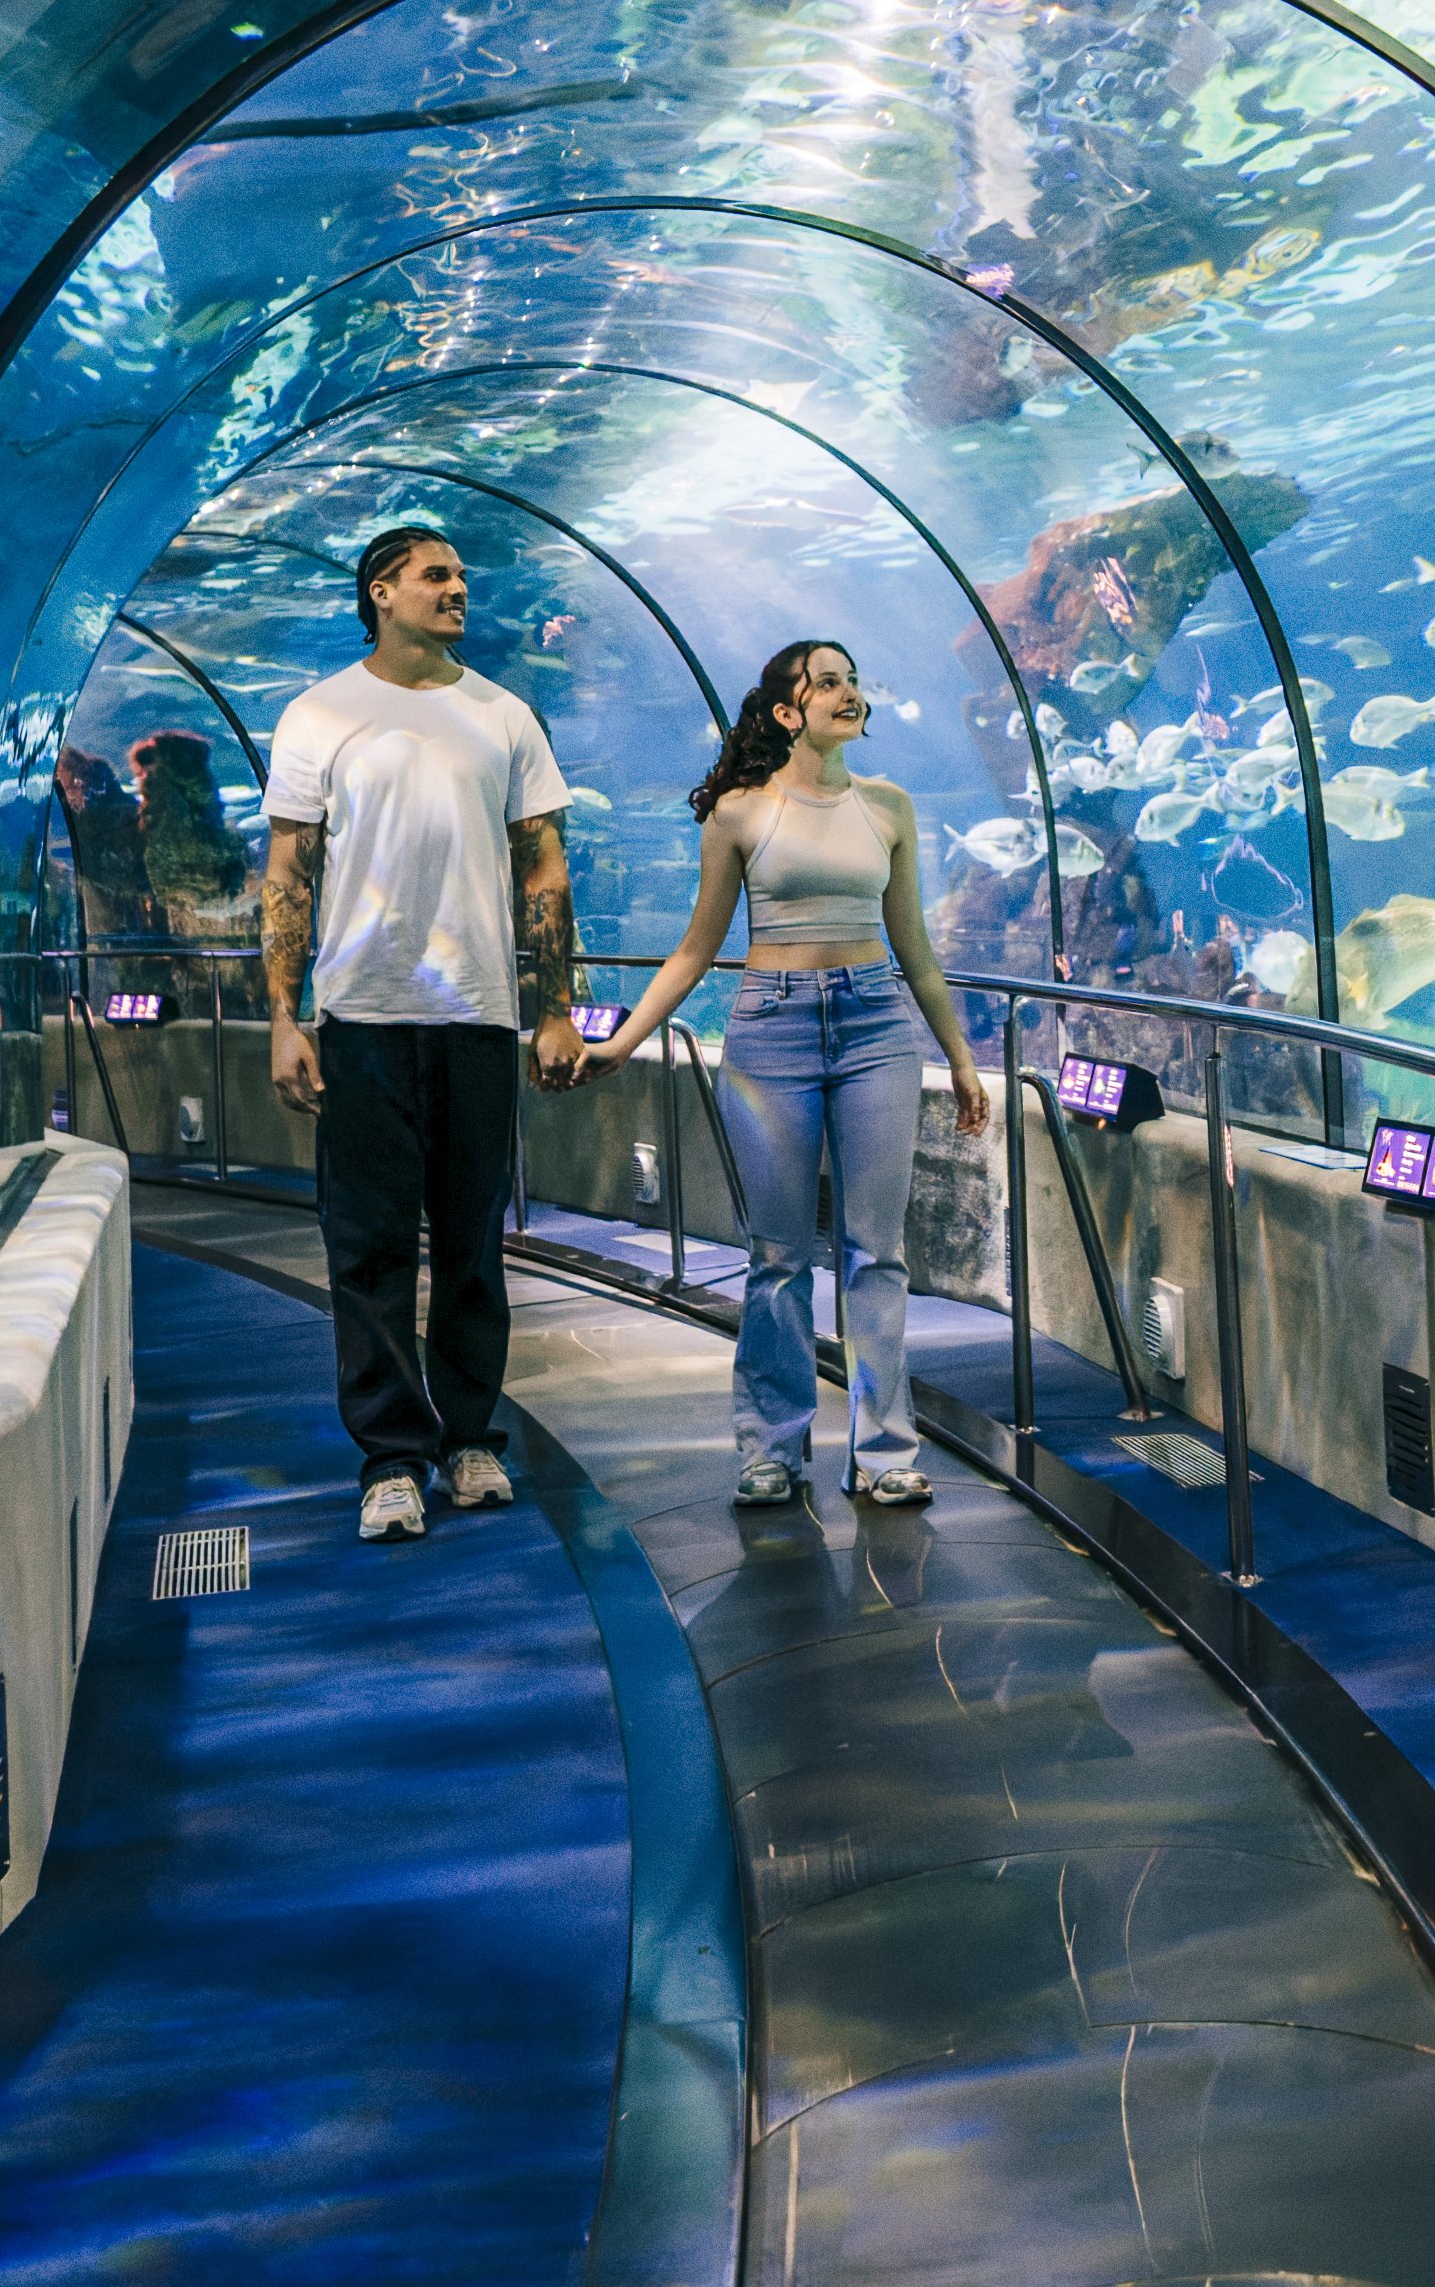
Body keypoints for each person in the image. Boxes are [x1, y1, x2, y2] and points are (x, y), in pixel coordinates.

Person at [585, 640, 988, 1506]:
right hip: (772, 1029)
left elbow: (915, 949)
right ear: (785, 711)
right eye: (829, 681)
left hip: (878, 1023)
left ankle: (884, 1453)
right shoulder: (738, 812)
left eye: (855, 679)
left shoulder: (890, 807)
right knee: (777, 1255)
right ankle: (770, 1445)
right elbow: (697, 950)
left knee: (876, 1251)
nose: (851, 693)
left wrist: (958, 1056)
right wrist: (623, 1041)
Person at [260, 526, 584, 1543]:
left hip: (478, 1015)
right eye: (436, 573)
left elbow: (544, 867)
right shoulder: (318, 714)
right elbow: (287, 874)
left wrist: (554, 1005)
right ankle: (391, 1455)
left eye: (459, 570)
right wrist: (283, 1016)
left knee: (474, 1240)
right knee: (366, 1247)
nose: (457, 585)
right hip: (361, 1013)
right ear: (381, 591)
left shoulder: (502, 713)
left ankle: (470, 1437)